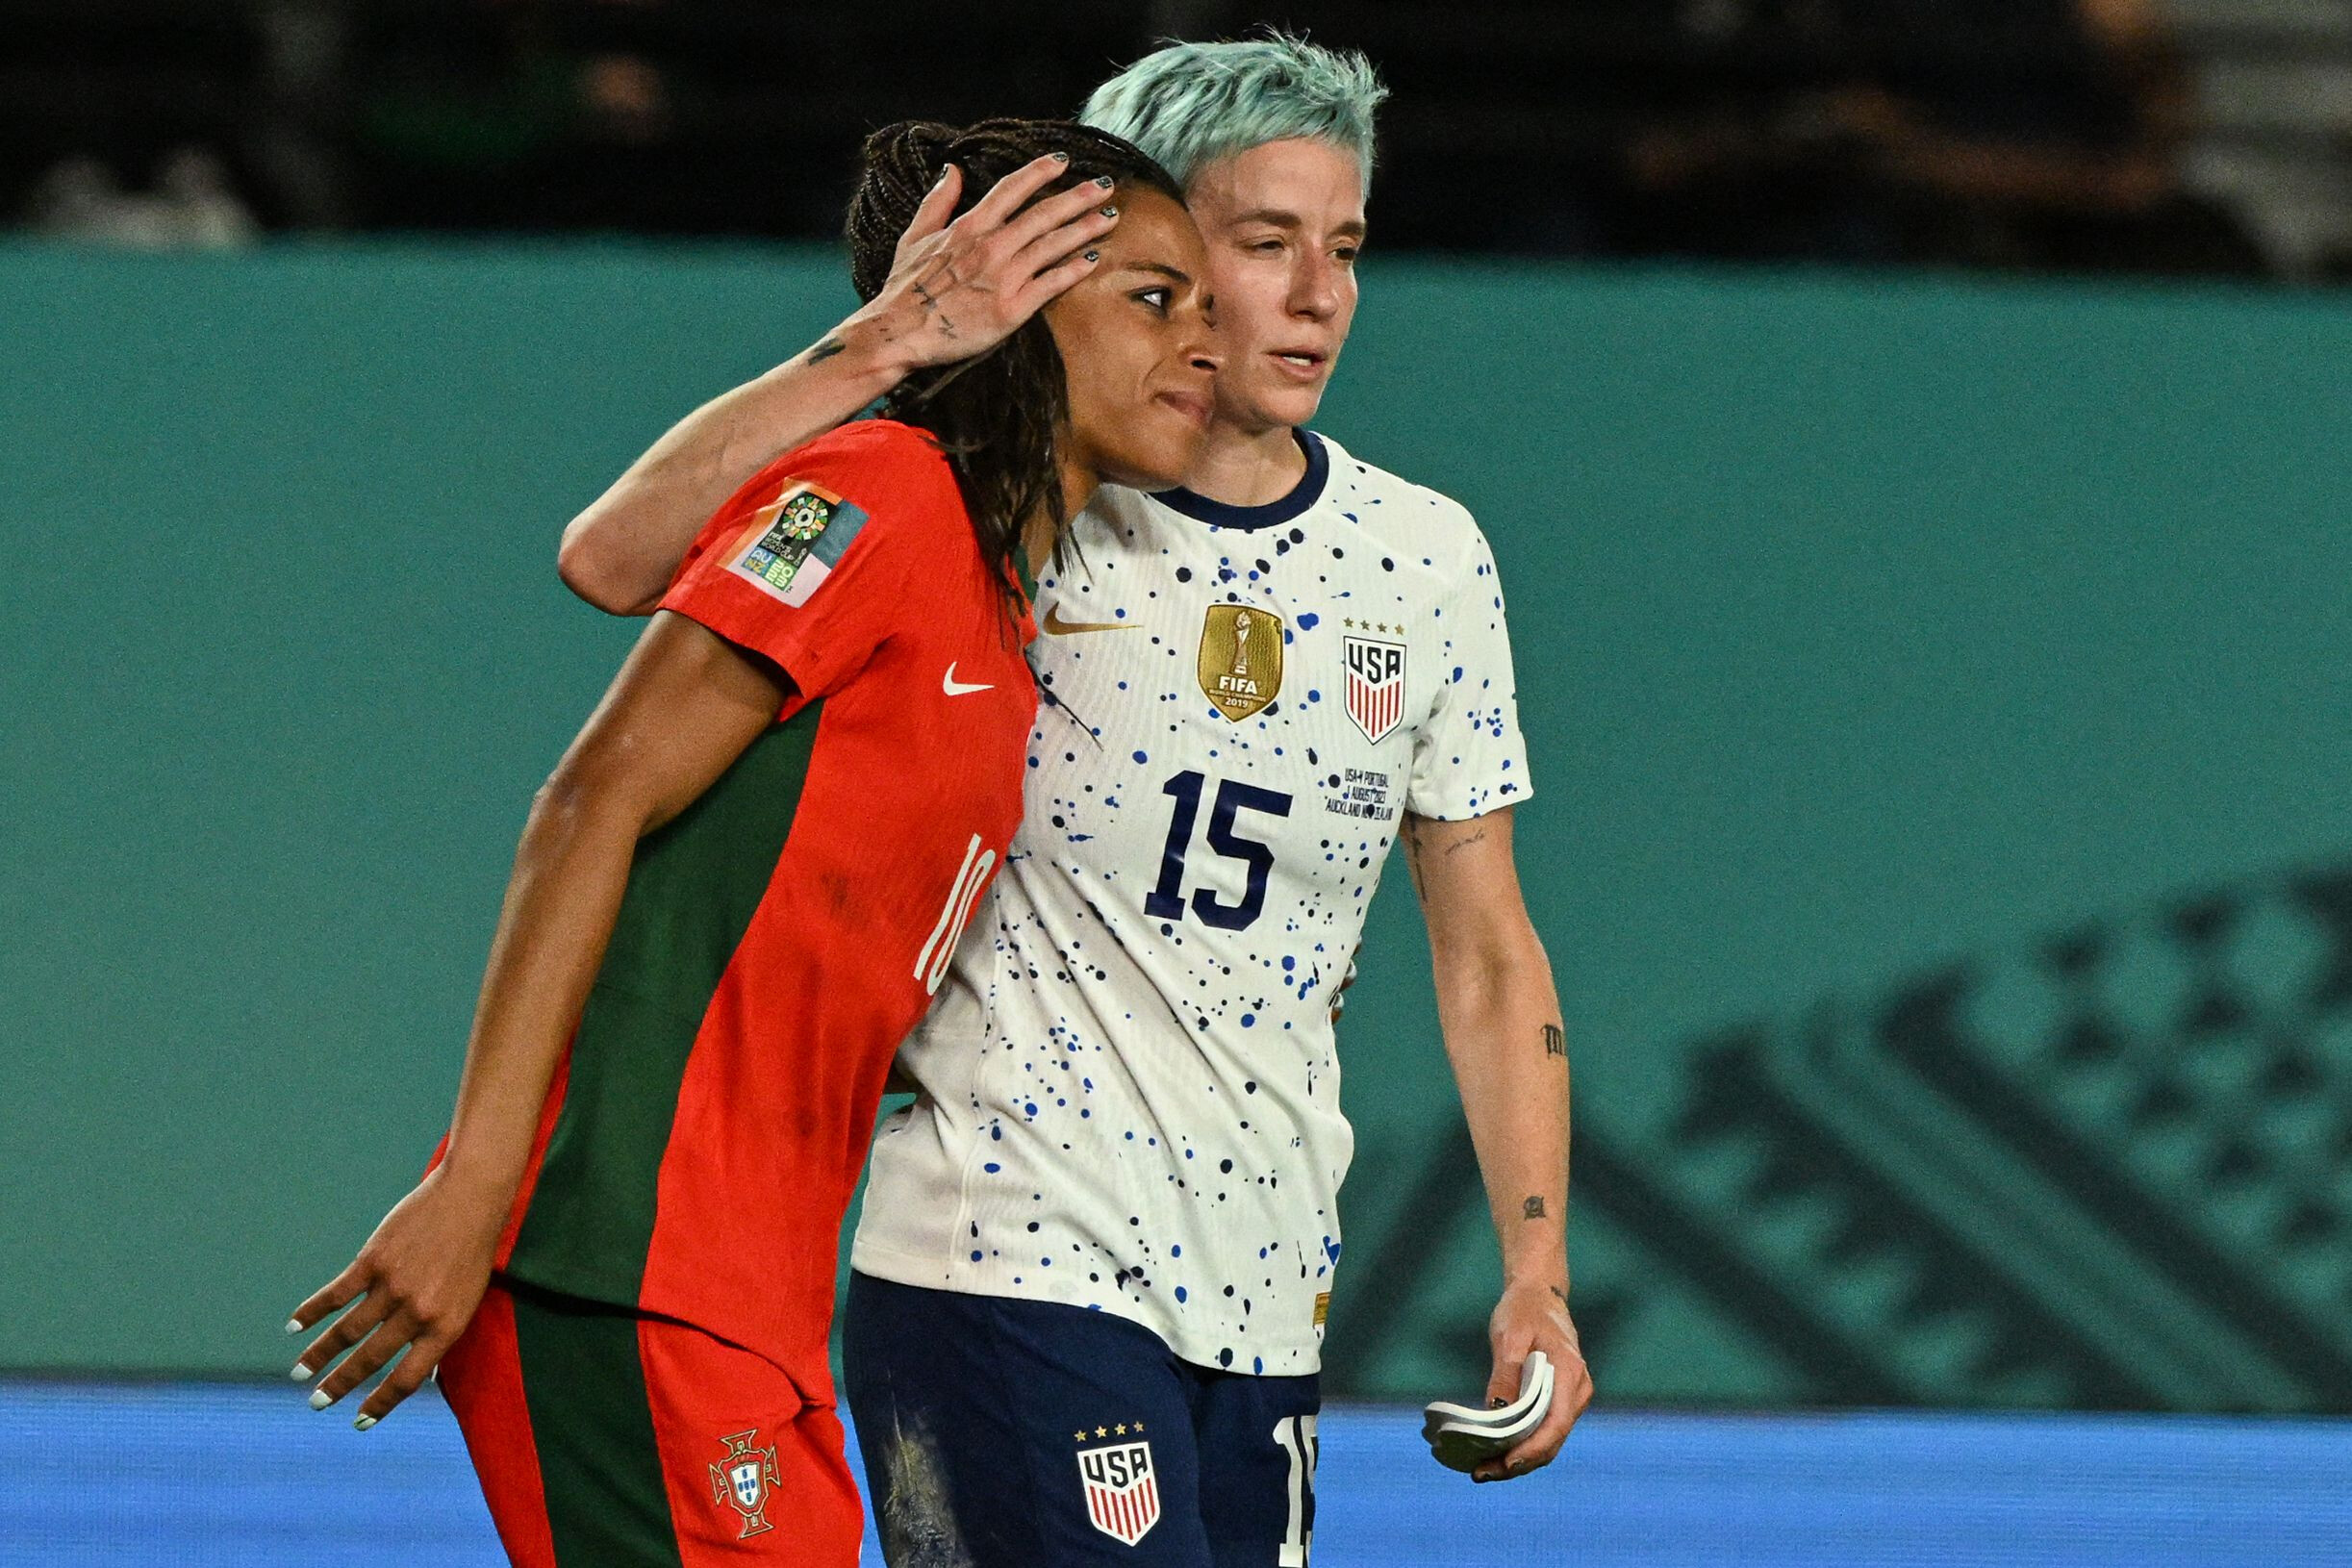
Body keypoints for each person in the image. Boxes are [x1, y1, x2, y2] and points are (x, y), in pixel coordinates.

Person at [562, 33, 1594, 1566]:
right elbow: (617, 555)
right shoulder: (994, 498)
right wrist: (881, 346)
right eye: (1260, 243)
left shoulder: (1426, 557)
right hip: (1000, 1248)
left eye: (1346, 246)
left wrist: (1536, 1272)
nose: (1317, 293)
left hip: (1261, 1284)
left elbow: (1487, 946)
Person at [283, 117, 1219, 1567]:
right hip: (619, 1259)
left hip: (745, 1298)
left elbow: (611, 565)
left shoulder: (993, 603)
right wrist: (477, 1190)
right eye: (1152, 297)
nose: (1201, 338)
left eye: (1204, 303)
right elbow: (591, 795)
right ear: (1022, 311)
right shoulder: (887, 496)